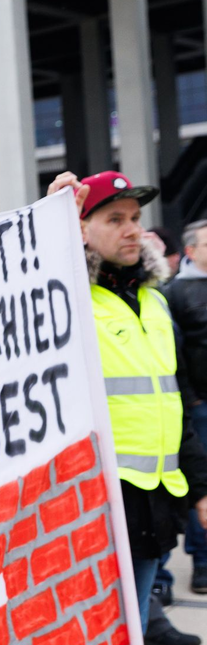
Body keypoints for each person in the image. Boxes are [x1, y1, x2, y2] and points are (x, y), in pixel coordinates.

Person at [48, 171, 207, 643]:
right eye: (115, 219)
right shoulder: (68, 295)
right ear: (80, 229)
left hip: (153, 503)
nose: (133, 229)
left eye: (135, 218)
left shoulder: (154, 301)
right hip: (97, 503)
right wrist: (47, 226)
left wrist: (200, 490)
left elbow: (173, 400)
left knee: (130, 624)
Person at [164, 219, 207, 595]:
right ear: (191, 251)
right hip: (200, 406)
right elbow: (174, 351)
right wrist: (191, 398)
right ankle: (204, 563)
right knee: (203, 485)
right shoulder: (175, 293)